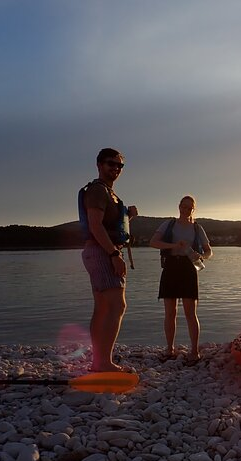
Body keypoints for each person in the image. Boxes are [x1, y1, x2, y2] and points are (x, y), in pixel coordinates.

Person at [79, 148, 138, 372]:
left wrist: (127, 216)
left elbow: (109, 224)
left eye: (119, 165)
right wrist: (114, 255)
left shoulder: (108, 193)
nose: (115, 168)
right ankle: (103, 362)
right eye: (110, 164)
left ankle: (98, 360)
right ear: (99, 165)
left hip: (99, 251)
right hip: (102, 251)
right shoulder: (97, 191)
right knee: (117, 305)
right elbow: (95, 225)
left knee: (103, 307)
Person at [149, 195, 212, 363]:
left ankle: (194, 351)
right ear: (179, 207)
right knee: (170, 312)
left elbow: (209, 251)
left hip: (189, 268)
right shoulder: (169, 224)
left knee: (190, 312)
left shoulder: (198, 228)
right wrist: (173, 246)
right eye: (183, 207)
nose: (185, 210)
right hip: (170, 267)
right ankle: (169, 349)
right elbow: (153, 242)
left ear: (193, 209)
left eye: (189, 208)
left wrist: (202, 256)